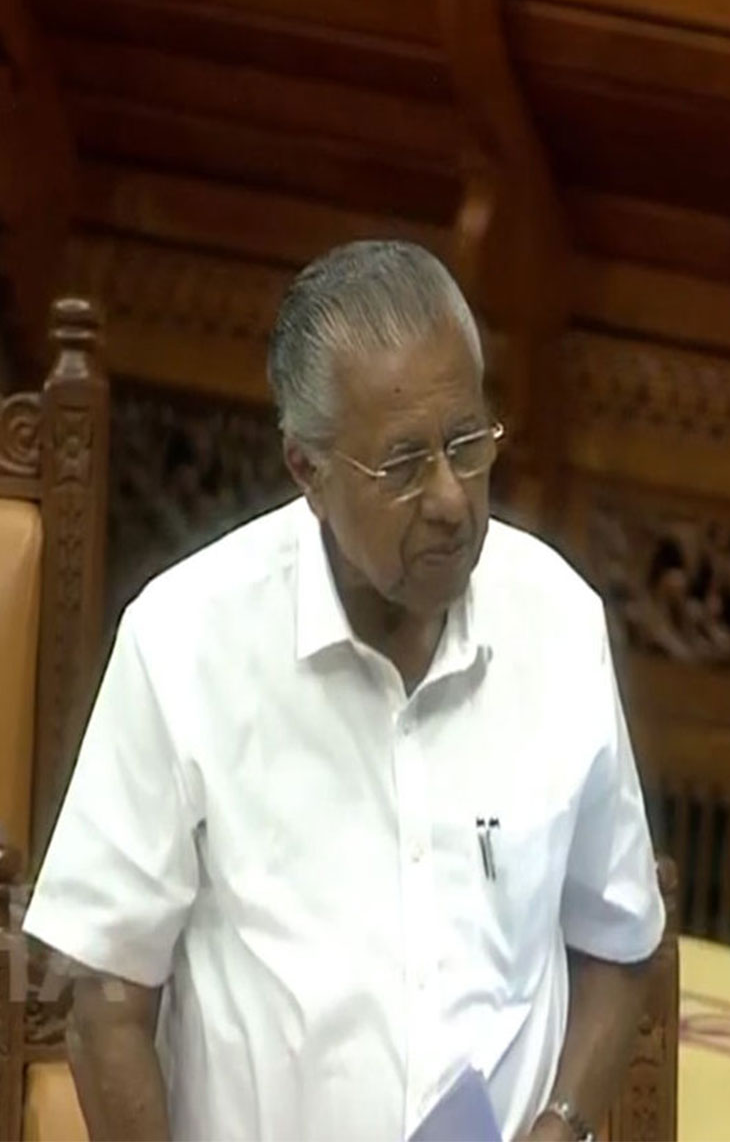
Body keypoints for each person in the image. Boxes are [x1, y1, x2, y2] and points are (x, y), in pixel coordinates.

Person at [23, 241, 665, 1141]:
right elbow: (105, 998)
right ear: (308, 472)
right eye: (402, 465)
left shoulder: (557, 624)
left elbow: (620, 940)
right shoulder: (185, 641)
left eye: (467, 445)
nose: (450, 498)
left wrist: (559, 1126)